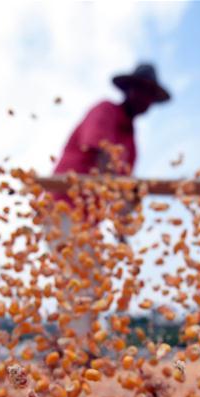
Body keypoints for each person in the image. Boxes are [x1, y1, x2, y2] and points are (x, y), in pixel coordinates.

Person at [44, 63, 171, 349]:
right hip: (62, 206)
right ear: (129, 89)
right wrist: (123, 191)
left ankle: (81, 348)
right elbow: (103, 158)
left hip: (88, 220)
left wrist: (124, 226)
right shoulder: (105, 111)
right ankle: (74, 352)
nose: (147, 100)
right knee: (79, 279)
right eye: (143, 91)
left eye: (152, 95)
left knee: (94, 281)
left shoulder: (131, 140)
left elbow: (121, 190)